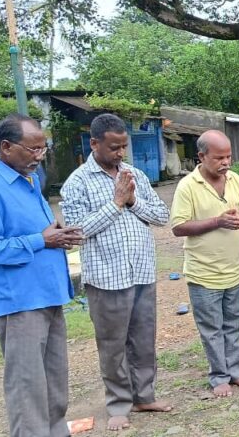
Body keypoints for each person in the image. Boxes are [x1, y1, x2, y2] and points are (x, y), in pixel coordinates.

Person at [0, 114, 83, 437]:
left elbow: (37, 232)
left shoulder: (27, 180)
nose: (39, 156)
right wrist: (41, 240)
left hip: (49, 295)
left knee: (55, 390)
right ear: (6, 147)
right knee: (27, 394)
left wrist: (58, 235)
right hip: (20, 305)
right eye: (33, 149)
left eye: (43, 148)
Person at [60, 113, 172, 431]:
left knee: (144, 340)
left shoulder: (135, 175)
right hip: (107, 279)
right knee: (113, 345)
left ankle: (144, 396)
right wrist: (116, 203)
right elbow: (76, 232)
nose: (120, 153)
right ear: (94, 143)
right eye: (114, 147)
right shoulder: (77, 182)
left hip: (141, 273)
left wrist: (133, 201)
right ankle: (119, 403)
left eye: (124, 146)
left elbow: (161, 215)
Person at [169, 130, 239, 398]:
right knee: (212, 329)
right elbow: (178, 227)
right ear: (202, 156)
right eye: (219, 158)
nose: (226, 162)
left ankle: (236, 371)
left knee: (234, 324)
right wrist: (218, 221)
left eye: (228, 156)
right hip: (203, 274)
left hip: (234, 269)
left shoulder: (235, 180)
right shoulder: (188, 186)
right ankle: (219, 376)